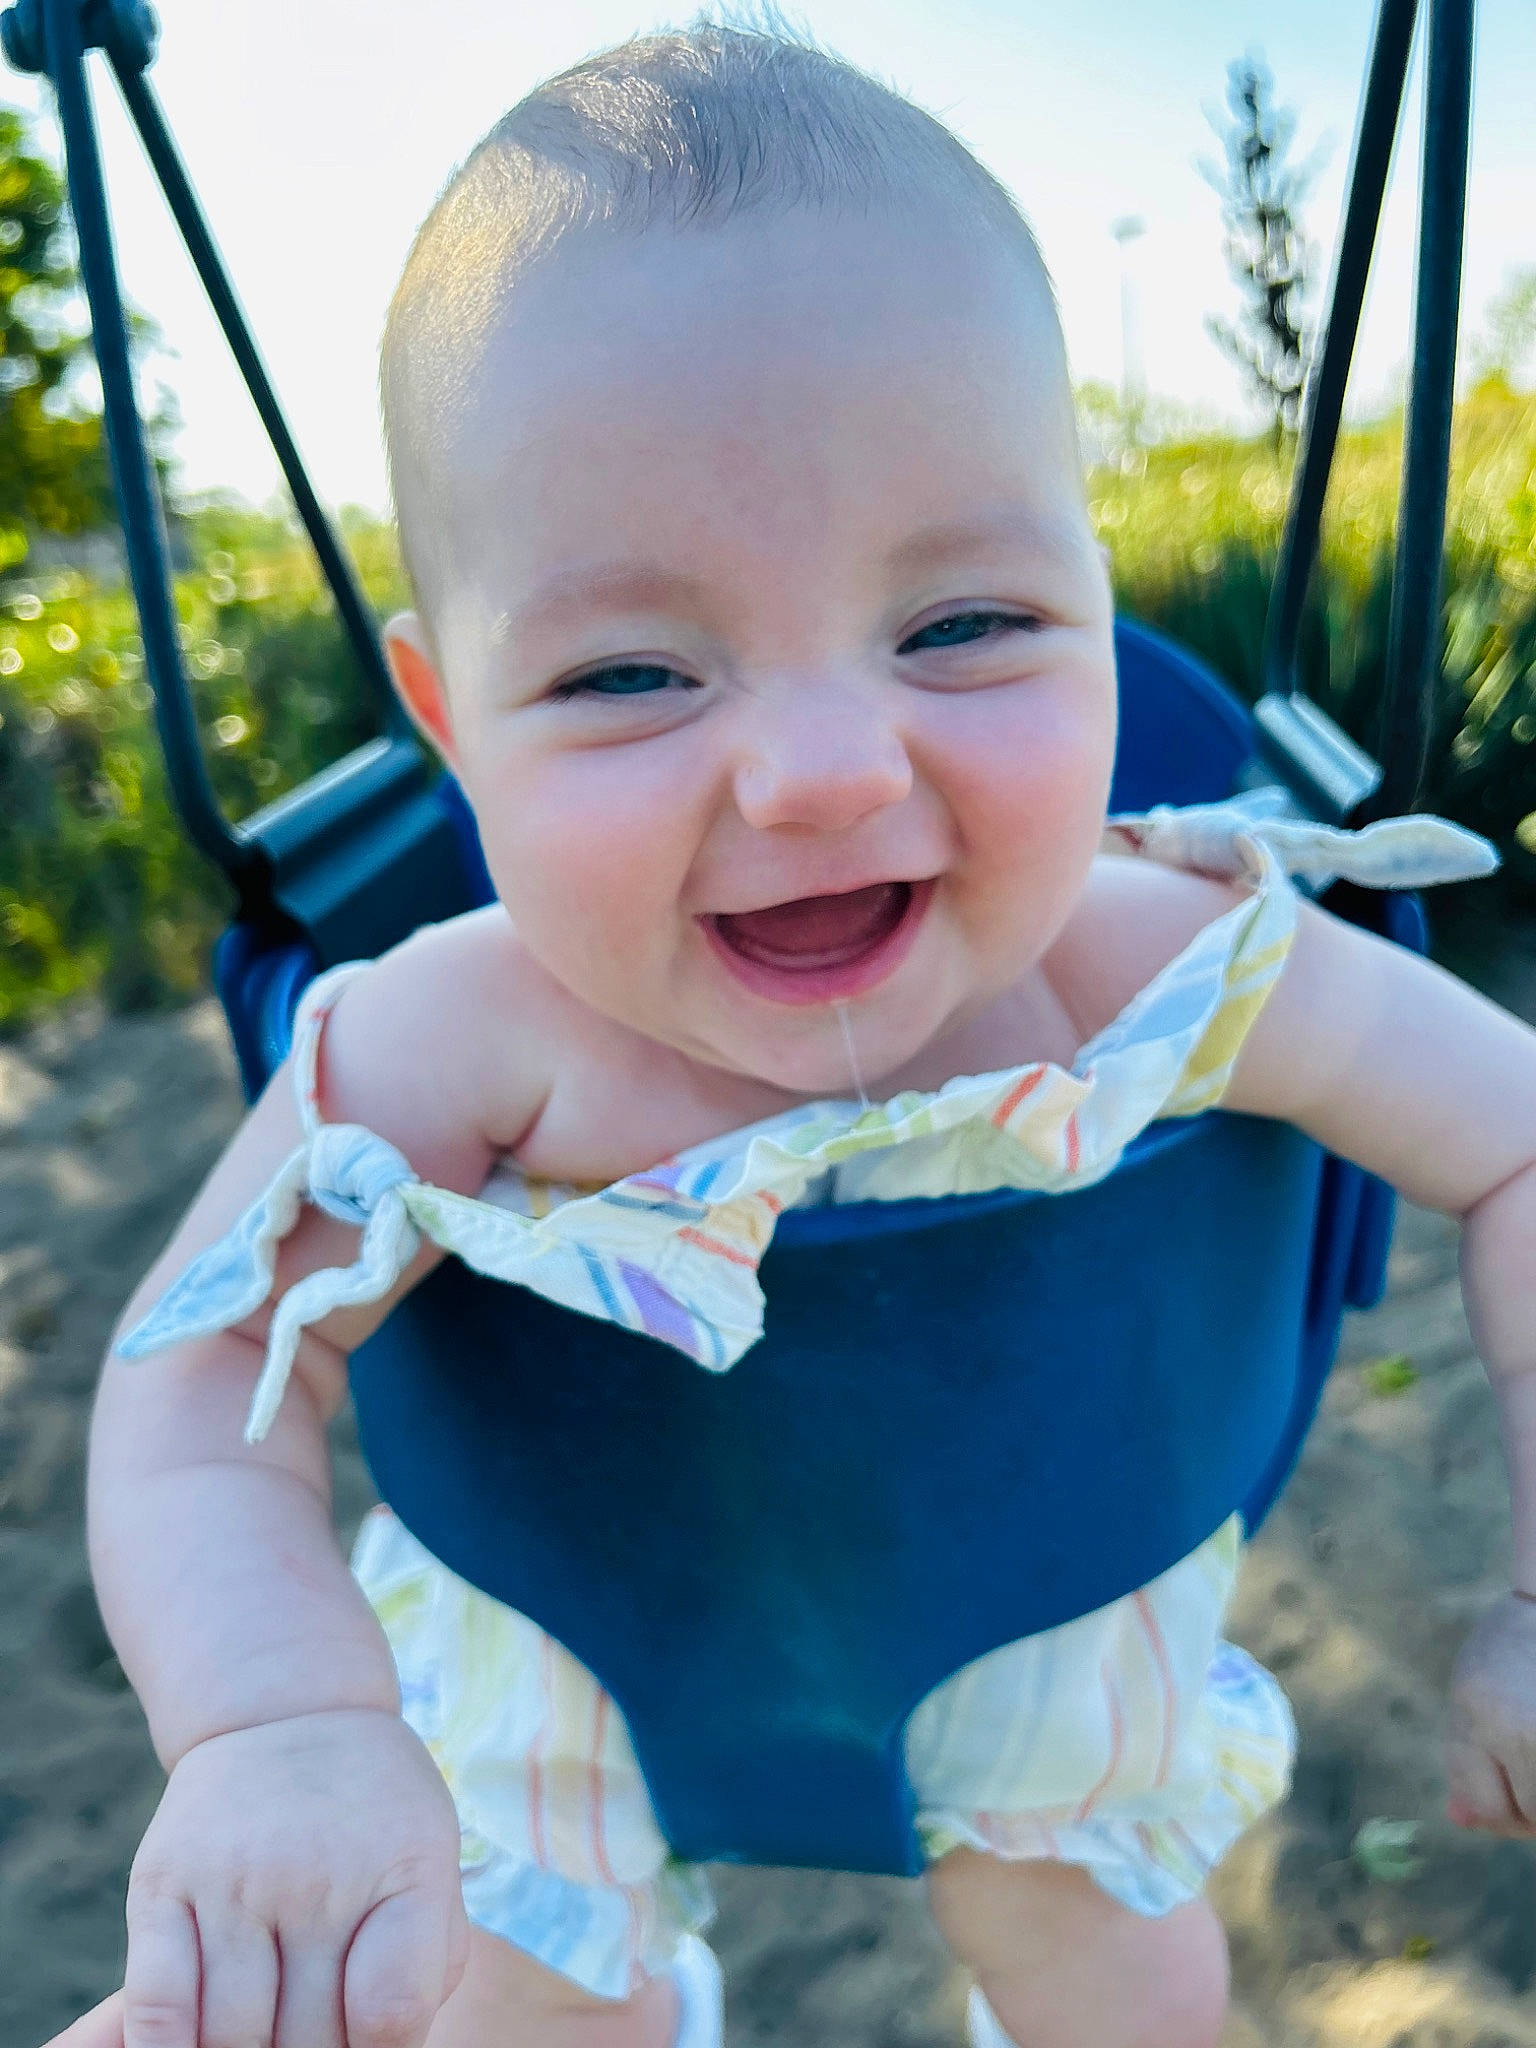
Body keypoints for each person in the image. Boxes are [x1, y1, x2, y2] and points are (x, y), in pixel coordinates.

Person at [41, 21, 1536, 2048]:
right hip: (554, 1659)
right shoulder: (448, 1034)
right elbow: (201, 1360)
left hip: (1056, 1654)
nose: (826, 771)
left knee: (1122, 1978)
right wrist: (279, 1724)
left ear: (1095, 598)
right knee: (503, 1989)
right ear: (448, 718)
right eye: (638, 670)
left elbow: (1518, 1140)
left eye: (963, 626)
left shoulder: (1174, 959)